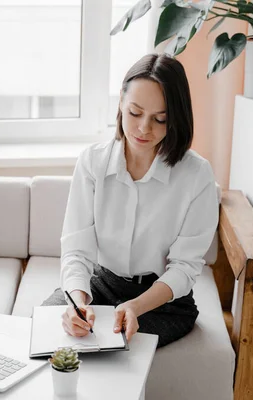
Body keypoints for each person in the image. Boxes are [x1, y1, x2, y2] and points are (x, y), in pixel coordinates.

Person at [42, 53, 219, 348]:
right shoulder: (92, 162)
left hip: (162, 300)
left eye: (160, 119)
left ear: (175, 118)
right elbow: (77, 250)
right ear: (121, 104)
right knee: (49, 331)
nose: (143, 129)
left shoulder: (196, 174)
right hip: (102, 284)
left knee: (111, 351)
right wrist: (78, 301)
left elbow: (185, 267)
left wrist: (136, 306)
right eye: (135, 113)